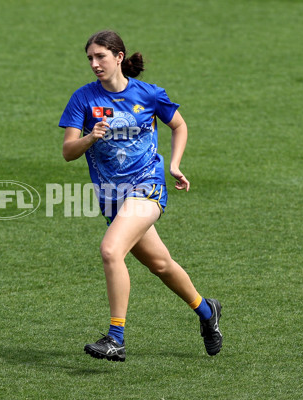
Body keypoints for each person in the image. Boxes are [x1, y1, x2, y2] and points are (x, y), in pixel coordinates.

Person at [58, 30, 222, 362]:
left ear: (119, 57)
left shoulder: (149, 94)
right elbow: (68, 152)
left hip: (147, 188)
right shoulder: (83, 99)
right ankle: (207, 311)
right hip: (112, 197)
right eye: (90, 58)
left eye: (101, 56)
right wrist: (90, 137)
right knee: (161, 265)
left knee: (110, 250)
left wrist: (174, 165)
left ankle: (115, 337)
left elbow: (179, 125)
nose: (94, 63)